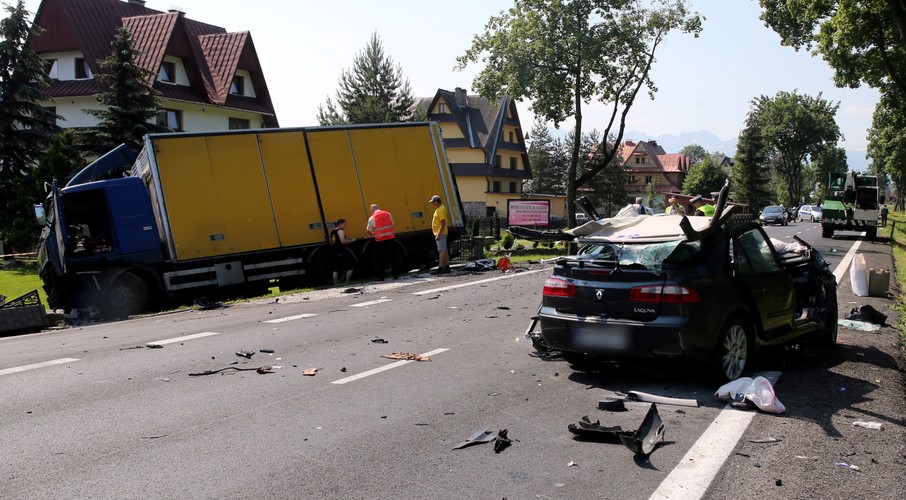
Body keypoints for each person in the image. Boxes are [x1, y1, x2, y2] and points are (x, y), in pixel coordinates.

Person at [366, 203, 397, 280]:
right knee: (393, 257)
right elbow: (392, 224)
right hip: (390, 239)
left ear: (372, 210)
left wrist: (373, 234)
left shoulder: (372, 218)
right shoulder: (387, 214)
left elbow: (368, 230)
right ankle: (395, 275)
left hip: (380, 241)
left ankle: (381, 277)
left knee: (380, 259)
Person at [329, 218, 355, 286]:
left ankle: (336, 284)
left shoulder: (332, 232)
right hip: (342, 252)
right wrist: (352, 240)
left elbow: (332, 242)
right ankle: (347, 282)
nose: (345, 226)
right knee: (350, 267)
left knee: (335, 270)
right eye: (344, 224)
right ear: (340, 224)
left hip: (334, 252)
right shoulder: (340, 231)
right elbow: (343, 241)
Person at [429, 195, 450, 275]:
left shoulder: (440, 210)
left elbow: (443, 223)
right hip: (442, 233)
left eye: (433, 202)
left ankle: (441, 268)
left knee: (441, 251)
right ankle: (447, 267)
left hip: (441, 233)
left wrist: (438, 234)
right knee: (444, 250)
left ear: (436, 201)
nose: (432, 204)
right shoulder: (440, 209)